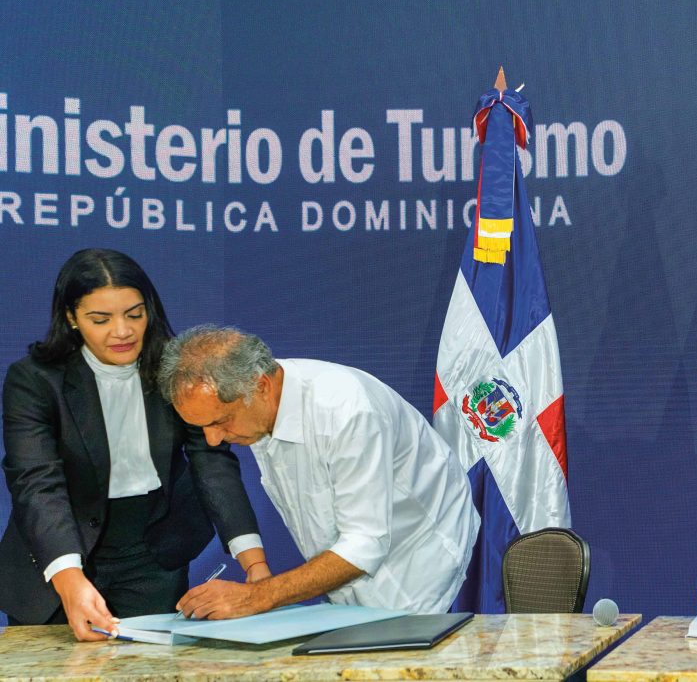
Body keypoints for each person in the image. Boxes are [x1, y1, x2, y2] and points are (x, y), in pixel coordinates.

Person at [0, 249, 268, 641]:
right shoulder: (35, 380)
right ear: (71, 317)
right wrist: (69, 580)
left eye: (134, 314)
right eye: (101, 319)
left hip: (152, 551)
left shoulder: (175, 368)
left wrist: (254, 562)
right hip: (58, 550)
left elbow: (210, 459)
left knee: (151, 664)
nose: (122, 331)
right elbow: (36, 481)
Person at [157, 325, 480, 618]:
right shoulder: (253, 401)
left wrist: (259, 596)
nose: (213, 439)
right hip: (353, 592)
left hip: (422, 570)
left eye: (220, 421)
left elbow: (365, 543)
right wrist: (257, 571)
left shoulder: (348, 413)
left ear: (261, 386)